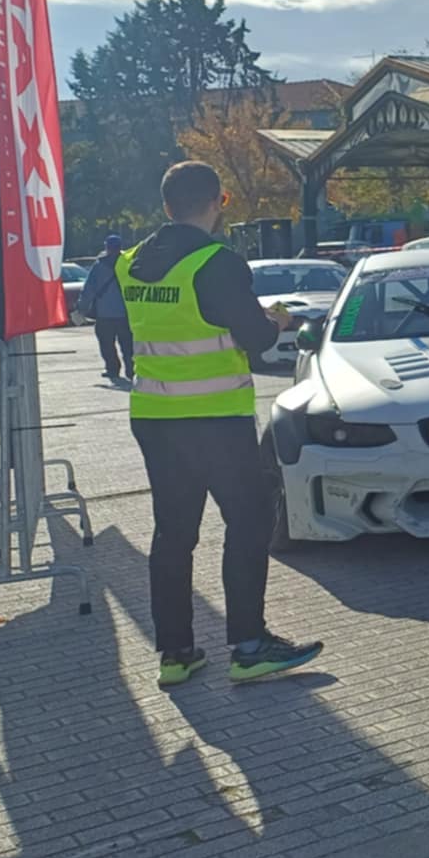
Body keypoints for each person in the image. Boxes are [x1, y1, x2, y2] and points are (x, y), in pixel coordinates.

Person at [119, 162, 320, 688]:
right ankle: (249, 646)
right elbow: (253, 338)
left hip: (155, 417)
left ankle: (176, 653)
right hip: (214, 419)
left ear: (165, 207)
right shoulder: (218, 262)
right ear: (219, 200)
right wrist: (275, 320)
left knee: (173, 534)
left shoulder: (130, 263)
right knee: (250, 522)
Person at [85, 233, 134, 381]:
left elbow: (89, 289)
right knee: (128, 345)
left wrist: (81, 309)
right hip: (125, 313)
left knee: (107, 345)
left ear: (106, 247)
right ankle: (131, 370)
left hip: (104, 314)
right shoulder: (128, 264)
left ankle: (112, 369)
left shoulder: (99, 266)